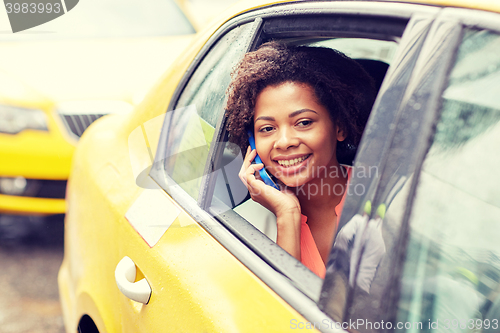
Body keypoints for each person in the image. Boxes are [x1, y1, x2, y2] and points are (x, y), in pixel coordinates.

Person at [225, 41, 376, 277]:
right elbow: (276, 313)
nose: (284, 141)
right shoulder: (243, 226)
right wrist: (287, 215)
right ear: (252, 143)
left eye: (303, 122)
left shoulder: (382, 195)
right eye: (266, 128)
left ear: (339, 127)